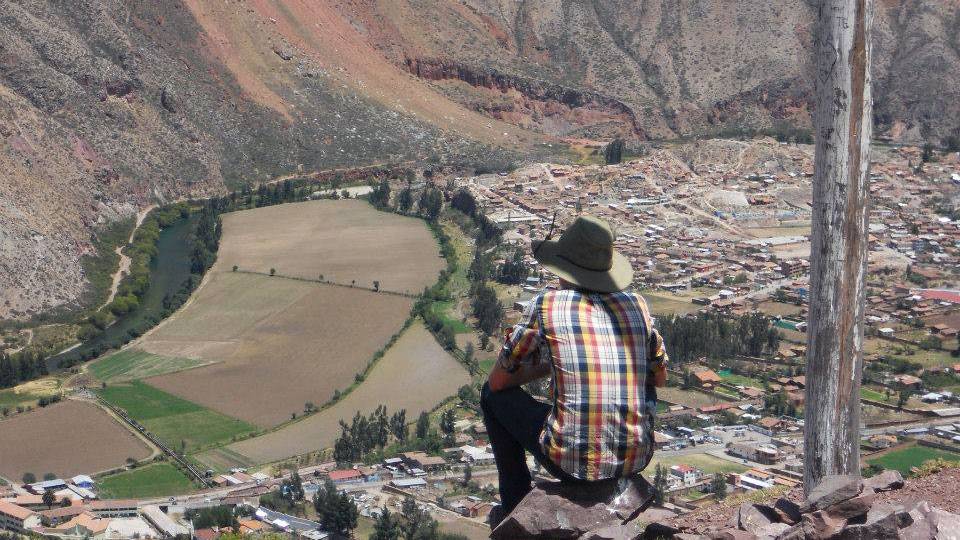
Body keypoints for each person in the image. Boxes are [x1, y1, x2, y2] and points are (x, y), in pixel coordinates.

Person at [481, 214, 668, 518]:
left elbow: (498, 382)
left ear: (564, 267)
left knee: (489, 397)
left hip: (570, 465)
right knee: (643, 373)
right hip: (636, 458)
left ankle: (515, 505)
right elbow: (660, 378)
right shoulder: (638, 305)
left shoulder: (547, 305)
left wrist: (547, 367)